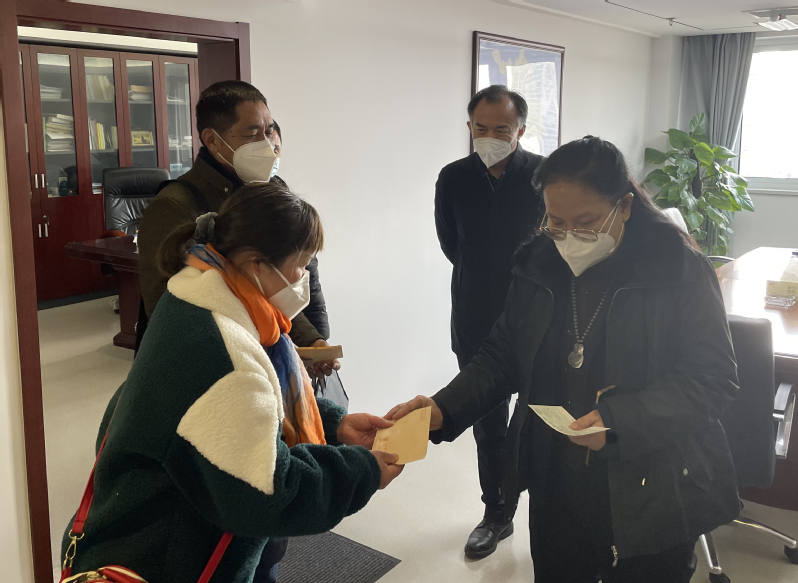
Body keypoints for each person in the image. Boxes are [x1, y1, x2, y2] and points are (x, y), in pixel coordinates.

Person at [390, 136, 741, 582]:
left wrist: (618, 420)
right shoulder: (539, 264)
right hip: (556, 478)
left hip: (649, 483)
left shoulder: (679, 271)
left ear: (625, 206)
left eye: (586, 222)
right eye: (556, 222)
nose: (570, 237)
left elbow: (712, 380)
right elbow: (502, 356)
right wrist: (443, 407)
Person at [63, 183, 404, 582]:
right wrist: (363, 472)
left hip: (139, 527)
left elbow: (244, 416)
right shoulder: (227, 356)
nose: (304, 279)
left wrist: (333, 426)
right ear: (257, 264)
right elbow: (271, 494)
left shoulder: (194, 299)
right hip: (174, 558)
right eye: (302, 265)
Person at [137, 81, 334, 359]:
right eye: (252, 133)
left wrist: (313, 339)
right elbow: (166, 307)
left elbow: (286, 279)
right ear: (212, 140)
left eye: (269, 131)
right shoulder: (175, 204)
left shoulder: (271, 188)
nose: (267, 144)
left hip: (274, 347)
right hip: (218, 357)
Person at [434, 84, 543, 558]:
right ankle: (496, 512)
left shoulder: (543, 176)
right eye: (481, 128)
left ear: (521, 129)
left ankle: (549, 505)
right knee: (487, 421)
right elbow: (451, 245)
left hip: (535, 315)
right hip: (475, 314)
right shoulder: (453, 177)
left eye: (502, 129)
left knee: (537, 416)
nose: (491, 137)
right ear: (469, 127)